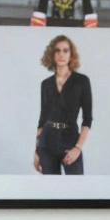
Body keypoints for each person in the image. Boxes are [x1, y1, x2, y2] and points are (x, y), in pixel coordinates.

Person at [34, 35, 92, 176]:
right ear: (52, 54)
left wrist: (77, 147)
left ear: (71, 54)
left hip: (70, 140)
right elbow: (42, 119)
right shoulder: (46, 84)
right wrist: (36, 150)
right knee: (51, 191)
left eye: (65, 50)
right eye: (57, 51)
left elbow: (87, 119)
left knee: (77, 190)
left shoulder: (81, 81)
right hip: (47, 142)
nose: (61, 54)